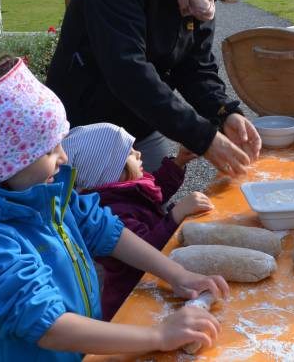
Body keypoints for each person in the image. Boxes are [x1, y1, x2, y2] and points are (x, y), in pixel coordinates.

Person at [0, 56, 229, 362]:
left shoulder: (45, 194)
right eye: (50, 150)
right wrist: (158, 336)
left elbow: (103, 229)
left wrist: (177, 274)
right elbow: (47, 326)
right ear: (5, 164)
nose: (64, 157)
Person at [46, 0, 262, 177]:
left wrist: (224, 112)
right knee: (100, 219)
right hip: (87, 132)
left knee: (152, 210)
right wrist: (202, 136)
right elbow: (127, 68)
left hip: (140, 126)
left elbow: (195, 67)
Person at [62, 123, 214, 321]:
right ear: (110, 169)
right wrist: (176, 214)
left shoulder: (123, 188)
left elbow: (155, 191)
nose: (139, 154)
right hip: (132, 296)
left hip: (155, 279)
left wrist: (178, 163)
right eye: (130, 153)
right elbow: (146, 248)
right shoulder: (110, 210)